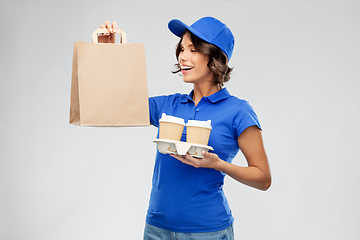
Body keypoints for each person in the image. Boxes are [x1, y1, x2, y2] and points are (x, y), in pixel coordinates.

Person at [98, 17, 271, 240]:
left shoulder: (238, 111)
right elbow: (114, 104)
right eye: (181, 48)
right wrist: (110, 53)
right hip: (157, 228)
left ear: (216, 57)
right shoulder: (168, 105)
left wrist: (218, 164)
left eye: (193, 49)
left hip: (208, 231)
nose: (183, 56)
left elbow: (263, 178)